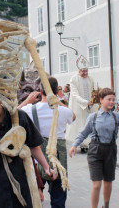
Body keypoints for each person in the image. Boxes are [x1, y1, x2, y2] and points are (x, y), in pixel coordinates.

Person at [69, 88, 119, 208]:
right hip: (95, 151)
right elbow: (83, 133)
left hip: (110, 150)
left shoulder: (117, 117)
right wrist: (74, 145)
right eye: (109, 99)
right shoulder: (93, 117)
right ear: (101, 100)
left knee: (108, 182)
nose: (112, 102)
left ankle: (106, 205)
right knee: (96, 184)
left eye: (113, 100)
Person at [19, 76, 75, 208]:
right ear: (56, 92)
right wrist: (58, 101)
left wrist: (27, 100)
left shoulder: (29, 110)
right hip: (58, 159)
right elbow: (73, 116)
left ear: (40, 90)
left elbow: (13, 114)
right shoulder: (63, 111)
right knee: (58, 198)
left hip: (35, 159)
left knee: (34, 198)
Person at [66, 56, 96, 151]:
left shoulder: (90, 78)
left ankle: (90, 142)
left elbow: (92, 91)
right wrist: (85, 102)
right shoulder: (74, 79)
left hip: (89, 106)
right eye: (83, 71)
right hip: (78, 106)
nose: (85, 73)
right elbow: (74, 94)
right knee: (80, 125)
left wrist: (94, 99)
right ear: (79, 70)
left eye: (86, 71)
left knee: (90, 123)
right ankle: (82, 144)